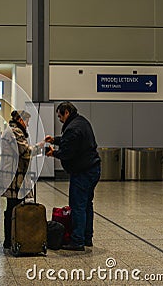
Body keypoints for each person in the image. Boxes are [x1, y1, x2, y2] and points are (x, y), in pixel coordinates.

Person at [45, 101, 101, 251]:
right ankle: (87, 237)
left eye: (60, 116)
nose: (60, 119)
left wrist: (53, 153)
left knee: (78, 206)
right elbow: (70, 141)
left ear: (67, 112)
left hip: (82, 173)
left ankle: (77, 241)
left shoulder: (72, 128)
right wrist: (55, 140)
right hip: (93, 169)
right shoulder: (81, 122)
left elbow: (67, 153)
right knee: (87, 205)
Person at [0, 110, 41, 249]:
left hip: (14, 174)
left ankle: (12, 239)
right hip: (14, 176)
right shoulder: (15, 132)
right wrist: (41, 146)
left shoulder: (11, 130)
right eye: (27, 121)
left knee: (12, 206)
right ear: (21, 120)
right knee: (14, 208)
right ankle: (12, 239)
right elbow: (26, 152)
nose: (27, 125)